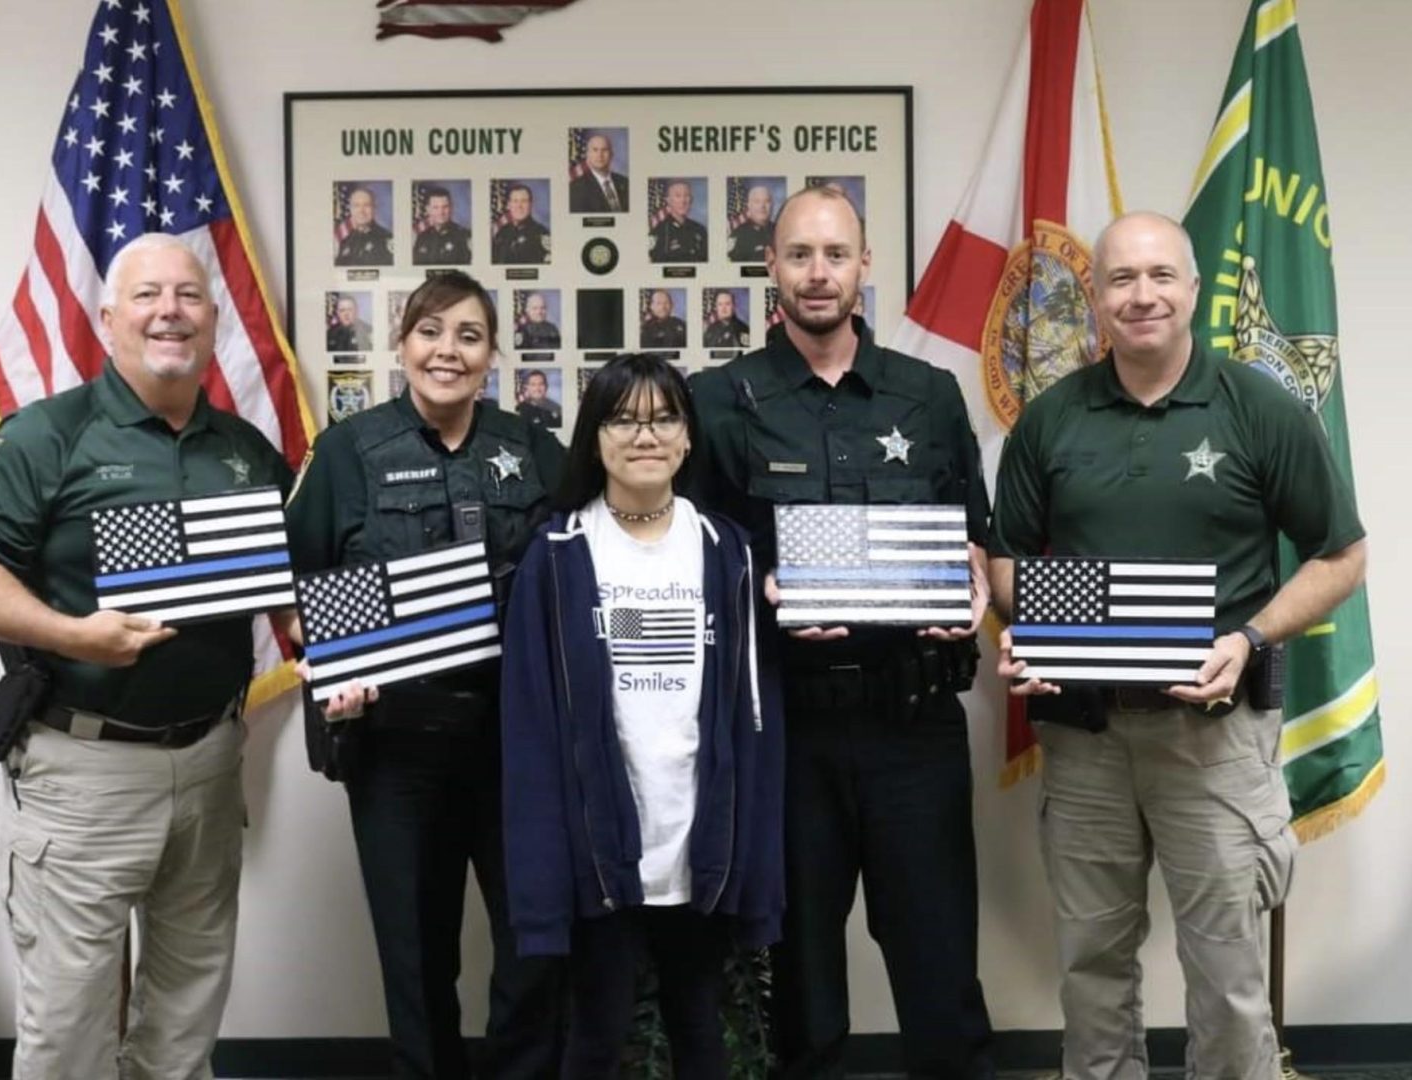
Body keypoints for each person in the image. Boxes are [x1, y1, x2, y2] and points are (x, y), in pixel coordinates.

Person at [988, 211, 1368, 1080]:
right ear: (1095, 296)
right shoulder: (1048, 420)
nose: (1142, 295)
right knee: (1090, 967)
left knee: (1229, 975)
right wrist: (1031, 634)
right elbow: (1005, 557)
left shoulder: (1260, 408)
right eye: (1121, 278)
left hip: (1216, 735)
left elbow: (1342, 556)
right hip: (1083, 738)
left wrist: (1249, 636)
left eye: (1161, 275)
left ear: (1194, 290)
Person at [0, 233, 293, 1080]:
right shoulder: (48, 435)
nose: (170, 312)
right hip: (84, 775)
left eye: (189, 296)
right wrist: (71, 633)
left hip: (210, 762)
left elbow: (282, 574)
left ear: (212, 318)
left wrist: (326, 634)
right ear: (107, 317)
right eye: (148, 295)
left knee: (185, 1021)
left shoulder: (242, 448)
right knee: (69, 1032)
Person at [690, 184, 995, 1079]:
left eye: (834, 254)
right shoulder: (716, 401)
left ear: (864, 265)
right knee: (801, 988)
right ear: (770, 268)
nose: (817, 273)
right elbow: (687, 559)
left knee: (942, 975)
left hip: (915, 723)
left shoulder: (928, 395)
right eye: (799, 255)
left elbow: (973, 537)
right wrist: (756, 589)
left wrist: (974, 584)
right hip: (787, 730)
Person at [285, 271, 566, 1079]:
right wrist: (334, 661)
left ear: (493, 356)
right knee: (415, 958)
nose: (449, 351)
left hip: (517, 744)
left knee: (537, 944)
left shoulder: (530, 448)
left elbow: (581, 564)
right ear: (401, 344)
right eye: (431, 331)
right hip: (396, 745)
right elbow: (294, 589)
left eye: (469, 336)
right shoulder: (348, 451)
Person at [501, 353, 784, 1079]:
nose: (645, 435)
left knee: (700, 1031)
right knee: (596, 1036)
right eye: (623, 420)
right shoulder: (557, 555)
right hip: (600, 844)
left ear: (688, 438)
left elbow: (754, 718)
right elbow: (530, 732)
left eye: (664, 418)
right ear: (594, 438)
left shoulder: (727, 551)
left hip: (698, 838)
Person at [569, 132, 630, 213]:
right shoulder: (575, 189)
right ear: (588, 155)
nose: (600, 155)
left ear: (611, 155)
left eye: (604, 150)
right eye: (595, 150)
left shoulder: (625, 182)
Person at [650, 180, 708, 264]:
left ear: (691, 200)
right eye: (678, 196)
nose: (683, 201)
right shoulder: (660, 231)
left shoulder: (700, 230)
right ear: (668, 200)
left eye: (687, 196)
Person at [336, 184, 395, 267]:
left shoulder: (386, 239)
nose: (361, 211)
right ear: (351, 209)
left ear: (374, 208)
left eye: (366, 205)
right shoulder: (345, 241)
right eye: (356, 206)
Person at [492, 183, 551, 265]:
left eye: (524, 201)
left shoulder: (541, 234)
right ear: (508, 205)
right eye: (515, 201)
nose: (519, 206)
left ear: (531, 204)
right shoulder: (502, 233)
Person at [412, 186, 473, 266]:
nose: (441, 212)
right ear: (428, 209)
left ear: (451, 208)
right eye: (435, 207)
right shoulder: (422, 238)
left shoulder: (464, 236)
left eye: (445, 207)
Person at [727, 184, 775, 262]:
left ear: (772, 205)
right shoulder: (739, 235)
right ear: (749, 205)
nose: (762, 206)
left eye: (767, 201)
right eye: (757, 202)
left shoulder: (780, 231)